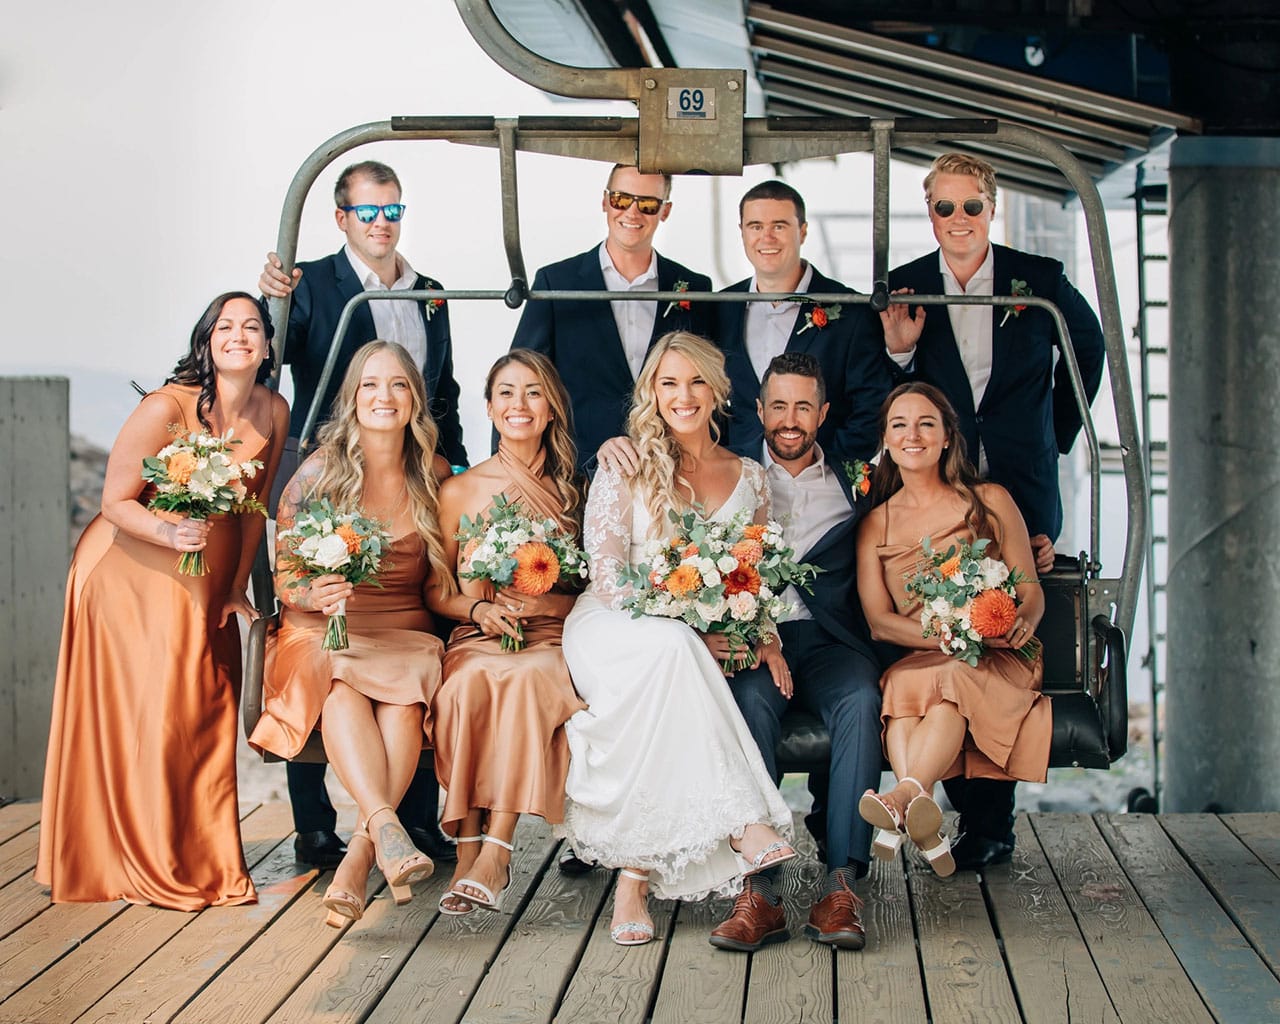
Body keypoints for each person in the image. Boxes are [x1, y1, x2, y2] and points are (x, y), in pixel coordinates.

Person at [878, 152, 1104, 870]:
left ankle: (991, 822)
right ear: (931, 214)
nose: (959, 221)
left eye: (971, 207)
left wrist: (1053, 435)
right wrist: (899, 352)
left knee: (1000, 634)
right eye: (945, 209)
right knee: (944, 636)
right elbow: (884, 388)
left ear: (991, 207)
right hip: (935, 485)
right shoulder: (906, 285)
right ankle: (938, 802)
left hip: (1019, 487)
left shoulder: (1037, 280)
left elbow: (1087, 353)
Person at [37, 292, 290, 909]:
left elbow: (254, 512)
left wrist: (238, 589)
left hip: (210, 576)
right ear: (206, 341)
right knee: (154, 712)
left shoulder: (274, 409)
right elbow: (116, 502)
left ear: (266, 344)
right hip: (129, 570)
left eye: (252, 326)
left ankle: (197, 854)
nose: (239, 335)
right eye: (225, 326)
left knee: (205, 706)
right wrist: (171, 531)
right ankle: (133, 858)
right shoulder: (166, 406)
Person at [561, 331, 796, 947]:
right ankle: (745, 822)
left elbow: (755, 571)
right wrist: (689, 628)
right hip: (610, 626)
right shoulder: (624, 464)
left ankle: (633, 880)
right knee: (673, 651)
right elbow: (608, 578)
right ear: (652, 392)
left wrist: (759, 634)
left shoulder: (751, 478)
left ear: (717, 390)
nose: (682, 395)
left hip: (683, 644)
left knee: (672, 668)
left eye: (695, 381)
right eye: (668, 382)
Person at [260, 159, 464, 867]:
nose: (382, 222)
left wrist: (455, 477)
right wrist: (267, 303)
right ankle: (316, 827)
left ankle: (416, 820)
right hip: (334, 480)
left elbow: (446, 392)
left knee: (420, 626)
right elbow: (268, 364)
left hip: (413, 475)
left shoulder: (433, 293)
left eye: (393, 209)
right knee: (322, 629)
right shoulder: (310, 284)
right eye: (368, 210)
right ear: (342, 218)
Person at [250, 341, 454, 926]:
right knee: (339, 681)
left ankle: (362, 852)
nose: (383, 397)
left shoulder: (433, 474)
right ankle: (384, 829)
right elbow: (287, 572)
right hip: (322, 626)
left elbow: (445, 570)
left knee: (406, 693)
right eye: (369, 385)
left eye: (396, 385)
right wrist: (310, 594)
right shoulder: (317, 473)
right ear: (352, 397)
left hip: (402, 628)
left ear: (414, 397)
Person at [710, 353, 882, 954]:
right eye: (778, 405)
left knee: (863, 698)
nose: (790, 419)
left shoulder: (856, 480)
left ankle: (842, 884)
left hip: (832, 643)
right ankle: (760, 890)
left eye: (803, 406)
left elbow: (927, 512)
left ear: (823, 413)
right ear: (758, 410)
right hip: (757, 640)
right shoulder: (728, 475)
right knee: (748, 705)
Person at [855, 383, 1050, 878]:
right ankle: (917, 809)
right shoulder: (875, 523)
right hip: (926, 653)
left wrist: (1020, 620)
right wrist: (945, 638)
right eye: (899, 425)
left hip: (993, 654)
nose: (912, 435)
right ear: (886, 440)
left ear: (947, 437)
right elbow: (881, 622)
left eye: (926, 424)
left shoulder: (988, 500)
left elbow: (1029, 589)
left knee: (937, 687)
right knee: (915, 686)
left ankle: (900, 801)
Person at [427, 350, 589, 915]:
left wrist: (552, 599)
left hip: (551, 638)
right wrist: (478, 613)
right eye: (506, 393)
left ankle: (497, 849)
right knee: (468, 686)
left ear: (551, 410)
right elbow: (437, 590)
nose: (519, 405)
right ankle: (469, 850)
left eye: (533, 393)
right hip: (478, 638)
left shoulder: (577, 493)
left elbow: (598, 587)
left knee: (526, 678)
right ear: (490, 407)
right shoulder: (459, 492)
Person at [510, 164, 714, 471]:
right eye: (621, 199)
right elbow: (520, 379)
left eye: (646, 204)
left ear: (665, 210)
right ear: (605, 201)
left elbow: (713, 386)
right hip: (577, 471)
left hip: (674, 471)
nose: (632, 213)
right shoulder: (557, 282)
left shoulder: (694, 288)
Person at [716, 179, 890, 460]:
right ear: (742, 232)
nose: (767, 237)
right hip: (738, 477)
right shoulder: (720, 308)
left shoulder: (851, 311)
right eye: (756, 226)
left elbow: (871, 407)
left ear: (803, 231)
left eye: (779, 226)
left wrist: (829, 470)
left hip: (823, 482)